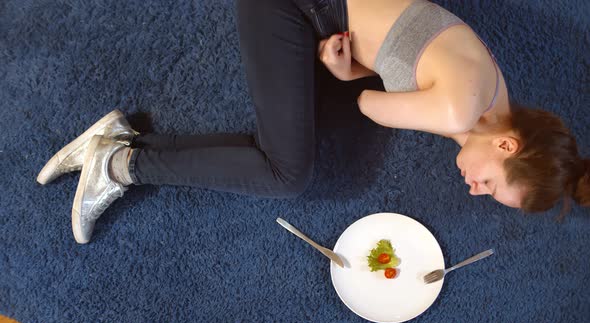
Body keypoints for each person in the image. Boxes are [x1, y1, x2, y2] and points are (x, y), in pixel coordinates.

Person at [37, 0, 590, 244]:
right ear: (509, 145)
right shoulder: (456, 112)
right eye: (489, 184)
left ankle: (124, 146)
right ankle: (119, 162)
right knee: (287, 172)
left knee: (282, 152)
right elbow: (368, 104)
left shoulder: (497, 97)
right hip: (294, 7)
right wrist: (347, 77)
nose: (473, 189)